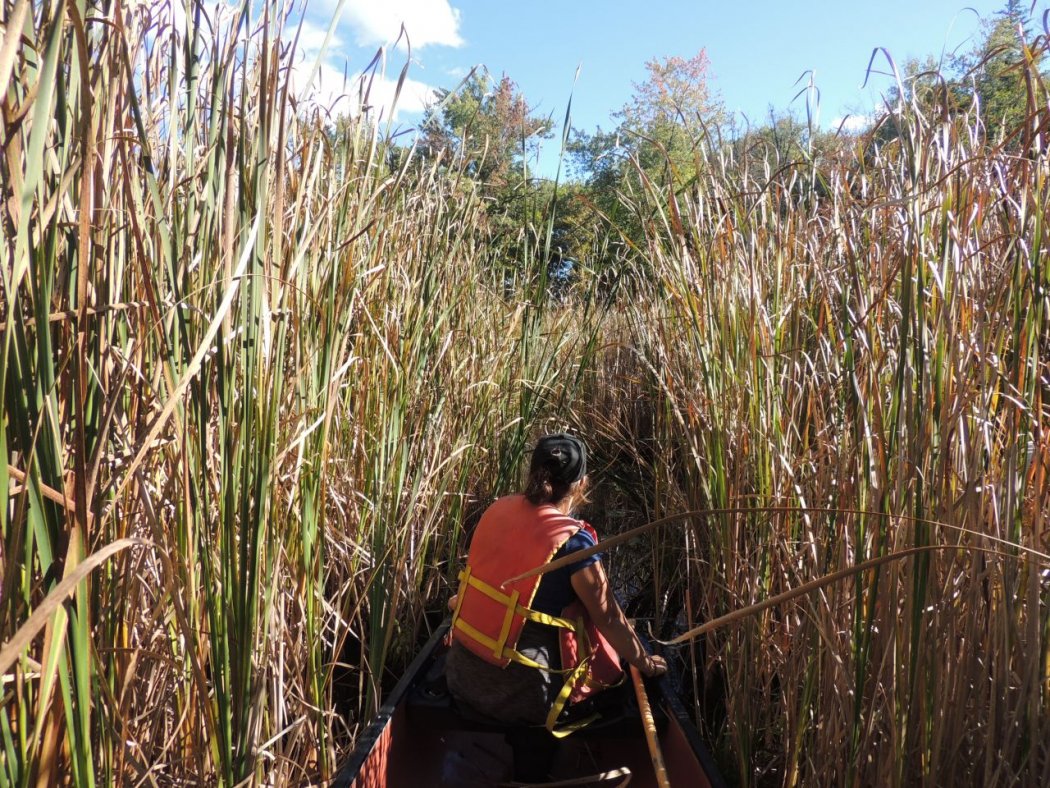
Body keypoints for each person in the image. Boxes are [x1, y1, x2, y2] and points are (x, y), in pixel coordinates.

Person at [445, 433, 667, 739]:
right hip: (525, 700)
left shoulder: (497, 510)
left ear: (532, 473)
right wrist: (647, 664)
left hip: (459, 677)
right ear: (581, 484)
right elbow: (609, 619)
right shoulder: (575, 544)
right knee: (619, 691)